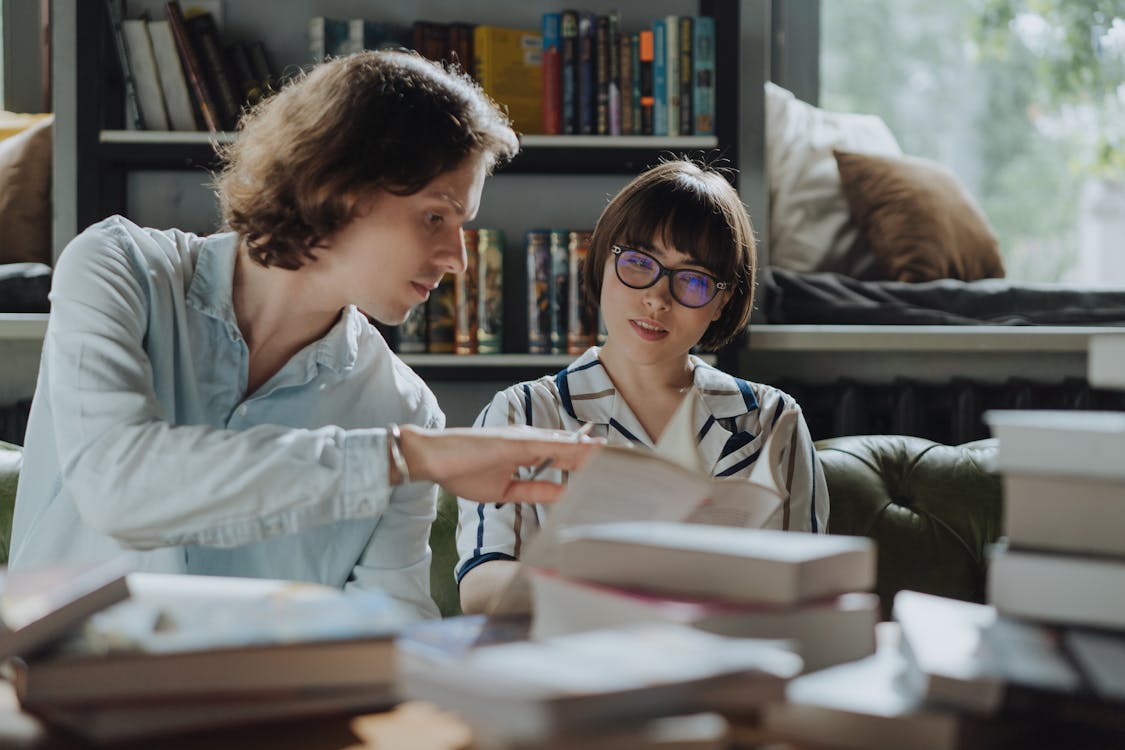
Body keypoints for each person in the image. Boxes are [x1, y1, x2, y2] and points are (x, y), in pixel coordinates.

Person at [9, 51, 596, 621]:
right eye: (435, 217)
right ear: (338, 185)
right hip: (55, 702)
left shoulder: (406, 407)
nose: (458, 260)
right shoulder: (119, 267)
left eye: (463, 225)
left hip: (267, 713)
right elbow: (119, 487)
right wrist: (401, 457)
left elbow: (394, 626)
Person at [456, 159, 830, 614]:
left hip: (722, 665)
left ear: (721, 302)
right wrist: (618, 575)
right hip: (576, 664)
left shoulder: (773, 418)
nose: (657, 298)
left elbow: (806, 588)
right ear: (603, 260)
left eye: (692, 280)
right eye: (638, 263)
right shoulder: (525, 411)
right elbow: (480, 587)